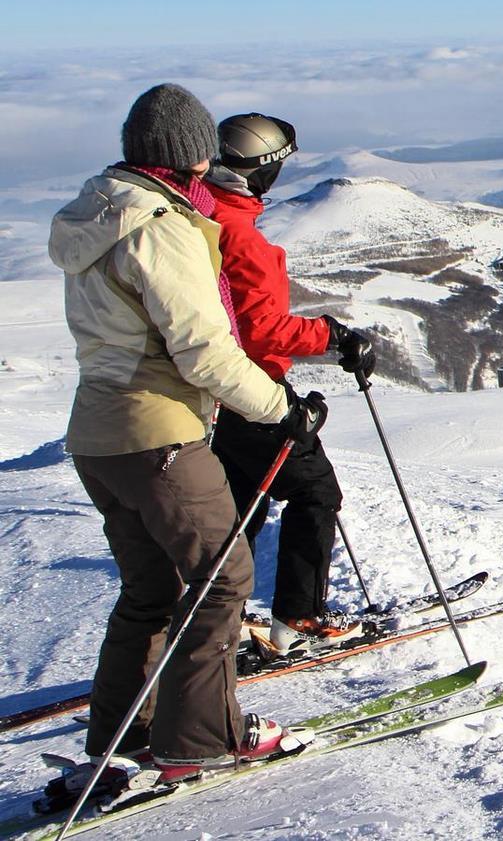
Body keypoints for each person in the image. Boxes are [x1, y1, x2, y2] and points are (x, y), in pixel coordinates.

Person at [47, 83, 321, 789]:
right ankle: (202, 736)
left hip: (98, 435)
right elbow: (205, 350)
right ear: (193, 158)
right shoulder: (162, 225)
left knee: (152, 588)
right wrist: (280, 409)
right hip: (160, 432)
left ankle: (122, 738)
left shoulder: (98, 213)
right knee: (222, 577)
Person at [202, 112, 376, 654]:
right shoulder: (241, 238)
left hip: (218, 395)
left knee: (244, 505)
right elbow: (261, 329)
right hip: (254, 388)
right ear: (261, 172)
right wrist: (333, 335)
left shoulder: (202, 218)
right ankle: (297, 619)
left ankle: (217, 619)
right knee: (314, 492)